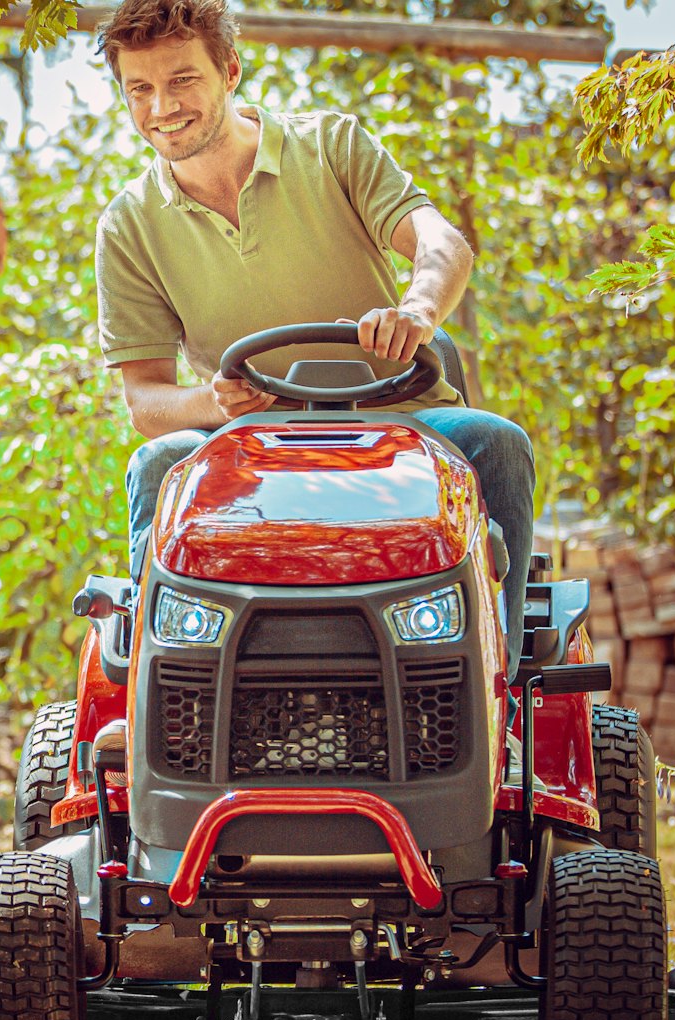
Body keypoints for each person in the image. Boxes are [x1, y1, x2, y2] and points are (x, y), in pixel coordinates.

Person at [93, 0, 536, 636]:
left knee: (498, 443)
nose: (162, 107)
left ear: (230, 71)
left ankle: (501, 684)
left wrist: (417, 308)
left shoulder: (331, 147)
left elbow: (444, 246)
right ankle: (162, 694)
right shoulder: (129, 225)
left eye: (182, 79)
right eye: (140, 88)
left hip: (398, 425)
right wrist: (211, 402)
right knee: (157, 463)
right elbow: (145, 399)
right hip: (248, 446)